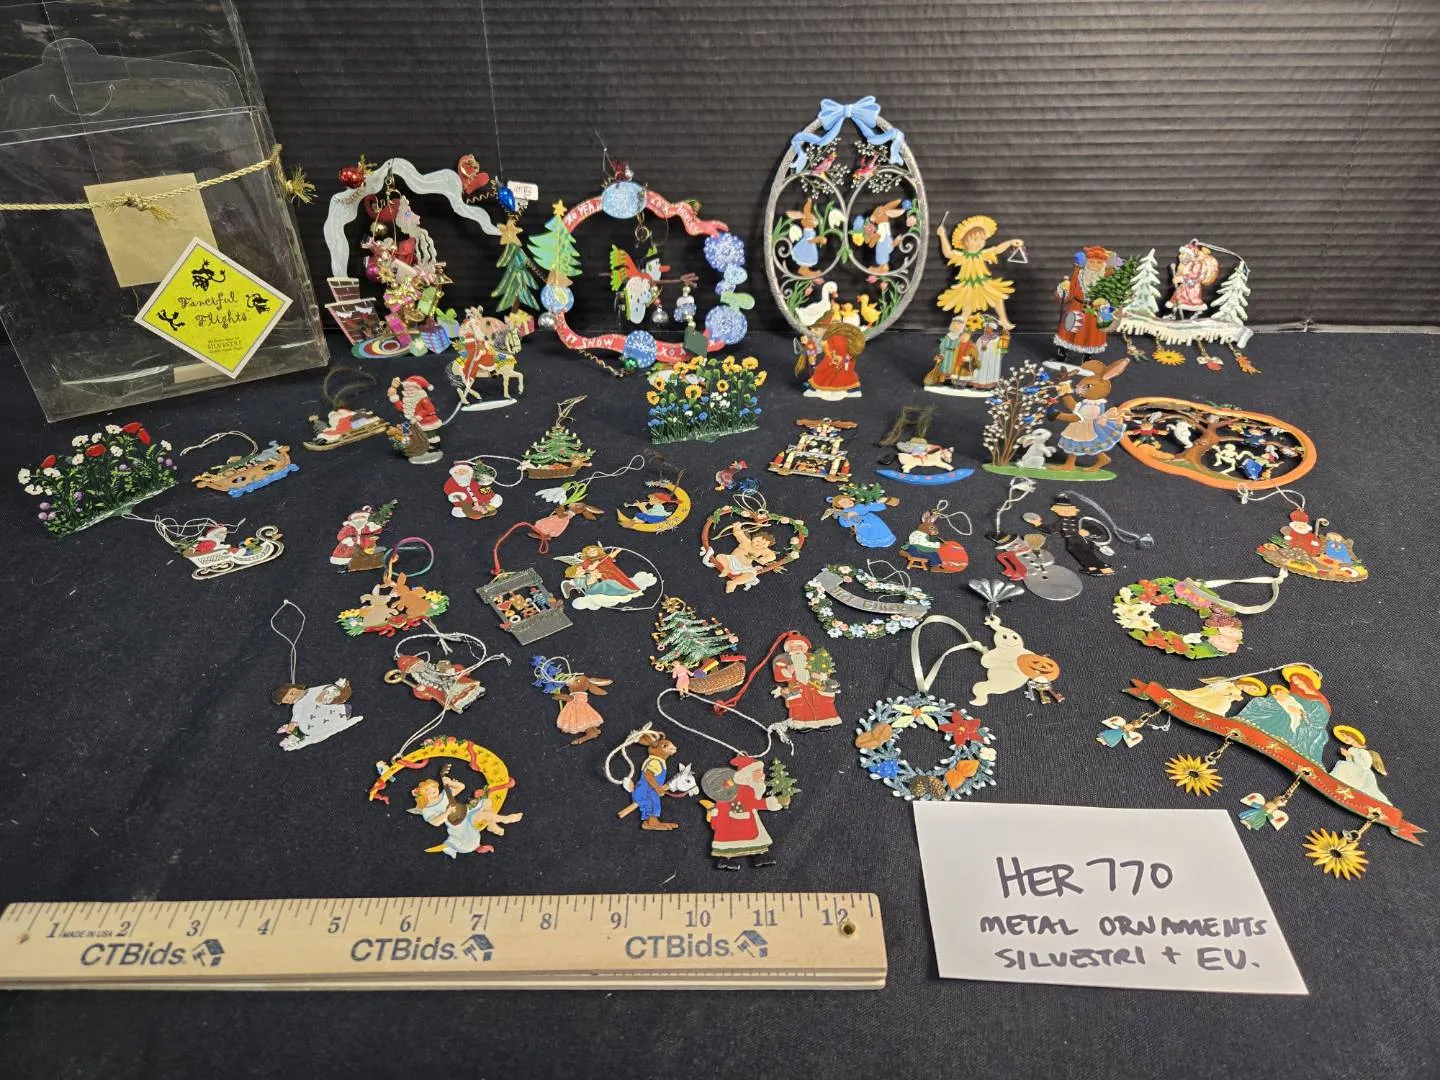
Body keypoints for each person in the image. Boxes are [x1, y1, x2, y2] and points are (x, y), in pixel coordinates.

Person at [935, 214, 1025, 328]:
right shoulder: (962, 256)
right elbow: (948, 253)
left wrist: (1010, 242)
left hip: (983, 283)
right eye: (975, 239)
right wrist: (942, 235)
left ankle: (1004, 321)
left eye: (983, 239)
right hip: (968, 287)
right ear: (965, 241)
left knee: (997, 298)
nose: (979, 243)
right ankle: (958, 330)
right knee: (966, 309)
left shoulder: (982, 254)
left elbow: (997, 249)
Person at [702, 757, 788, 869]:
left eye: (762, 773)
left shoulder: (742, 788)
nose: (762, 776)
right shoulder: (744, 789)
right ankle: (731, 859)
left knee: (738, 839)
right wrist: (775, 802)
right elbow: (754, 803)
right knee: (742, 838)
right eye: (758, 773)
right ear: (747, 774)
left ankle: (752, 857)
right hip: (734, 821)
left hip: (738, 819)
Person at [1054, 247, 1120, 356]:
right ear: (1087, 262)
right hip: (1076, 308)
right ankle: (1062, 352)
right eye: (1092, 262)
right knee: (1068, 330)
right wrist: (1064, 288)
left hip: (1094, 312)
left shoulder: (1107, 280)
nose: (1094, 265)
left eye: (1099, 262)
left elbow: (1112, 298)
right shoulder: (1078, 275)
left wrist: (1105, 303)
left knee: (1091, 334)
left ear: (1103, 264)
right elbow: (1069, 294)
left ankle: (1087, 357)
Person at [771, 636, 841, 730]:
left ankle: (825, 722)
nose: (796, 649)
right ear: (788, 649)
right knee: (799, 706)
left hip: (815, 685)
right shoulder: (783, 659)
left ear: (804, 647)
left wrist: (820, 675)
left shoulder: (813, 657)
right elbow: (779, 676)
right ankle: (803, 724)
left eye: (799, 646)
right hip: (797, 686)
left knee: (821, 703)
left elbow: (824, 668)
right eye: (792, 647)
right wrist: (788, 671)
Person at [272, 679, 363, 751]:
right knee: (307, 720)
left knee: (312, 710)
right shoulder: (297, 705)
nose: (291, 698)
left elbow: (325, 690)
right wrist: (292, 724)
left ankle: (298, 736)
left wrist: (329, 692)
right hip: (328, 717)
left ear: (294, 688)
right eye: (287, 700)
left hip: (335, 712)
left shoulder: (310, 691)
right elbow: (296, 716)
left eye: (291, 694)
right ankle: (297, 737)